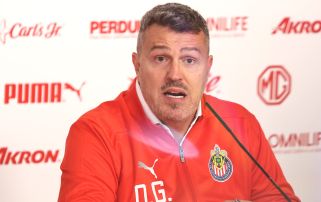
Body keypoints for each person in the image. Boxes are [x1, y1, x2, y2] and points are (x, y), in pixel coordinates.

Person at [58, 3, 300, 202]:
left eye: (189, 60)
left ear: (208, 67)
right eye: (161, 58)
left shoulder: (240, 123)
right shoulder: (96, 132)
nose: (175, 73)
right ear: (137, 65)